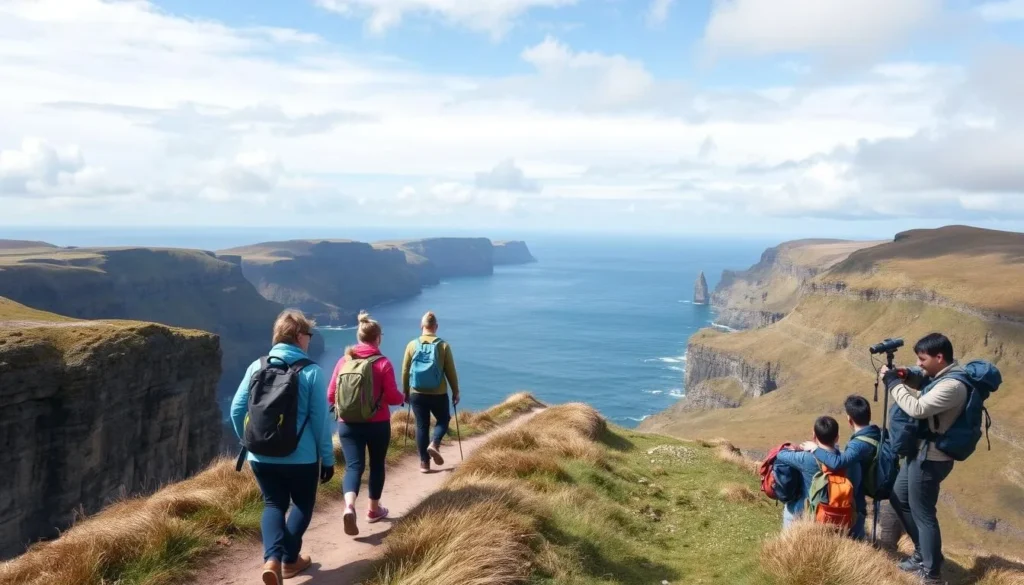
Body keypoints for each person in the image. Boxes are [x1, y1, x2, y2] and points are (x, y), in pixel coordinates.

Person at [230, 309, 335, 585]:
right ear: (299, 336)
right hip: (301, 458)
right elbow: (321, 422)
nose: (311, 340)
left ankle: (272, 559)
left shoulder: (256, 366)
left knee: (273, 504)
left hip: (260, 456)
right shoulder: (312, 372)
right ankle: (289, 560)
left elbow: (236, 410)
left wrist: (249, 441)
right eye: (309, 335)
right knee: (302, 504)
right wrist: (328, 458)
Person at [880, 333, 967, 585]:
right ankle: (922, 554)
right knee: (898, 496)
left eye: (922, 359)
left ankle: (932, 574)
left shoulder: (953, 386)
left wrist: (893, 384)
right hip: (920, 452)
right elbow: (926, 382)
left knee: (924, 514)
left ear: (939, 357)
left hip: (931, 458)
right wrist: (906, 376)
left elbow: (918, 408)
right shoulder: (943, 376)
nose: (919, 363)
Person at [327, 311, 405, 536]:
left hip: (348, 424)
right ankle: (373, 510)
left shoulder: (344, 361)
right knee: (377, 464)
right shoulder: (383, 363)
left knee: (354, 466)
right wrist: (402, 399)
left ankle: (349, 506)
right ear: (378, 338)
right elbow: (391, 396)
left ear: (359, 337)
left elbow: (331, 395)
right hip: (378, 423)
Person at [801, 395, 879, 540]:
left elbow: (837, 463)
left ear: (849, 419)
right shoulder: (876, 433)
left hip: (857, 500)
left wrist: (815, 449)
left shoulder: (857, 445)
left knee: (854, 537)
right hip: (875, 489)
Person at [402, 311, 461, 473]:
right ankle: (435, 443)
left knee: (422, 426)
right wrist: (455, 391)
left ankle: (424, 464)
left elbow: (405, 370)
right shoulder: (443, 346)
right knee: (443, 419)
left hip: (417, 392)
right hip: (438, 393)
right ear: (436, 327)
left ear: (421, 326)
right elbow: (450, 371)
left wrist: (405, 391)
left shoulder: (412, 345)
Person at [775, 416, 844, 530]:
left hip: (809, 513)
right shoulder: (843, 459)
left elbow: (781, 455)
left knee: (789, 509)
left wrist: (795, 449)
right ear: (837, 438)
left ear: (814, 436)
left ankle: (787, 540)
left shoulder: (807, 458)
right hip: (837, 513)